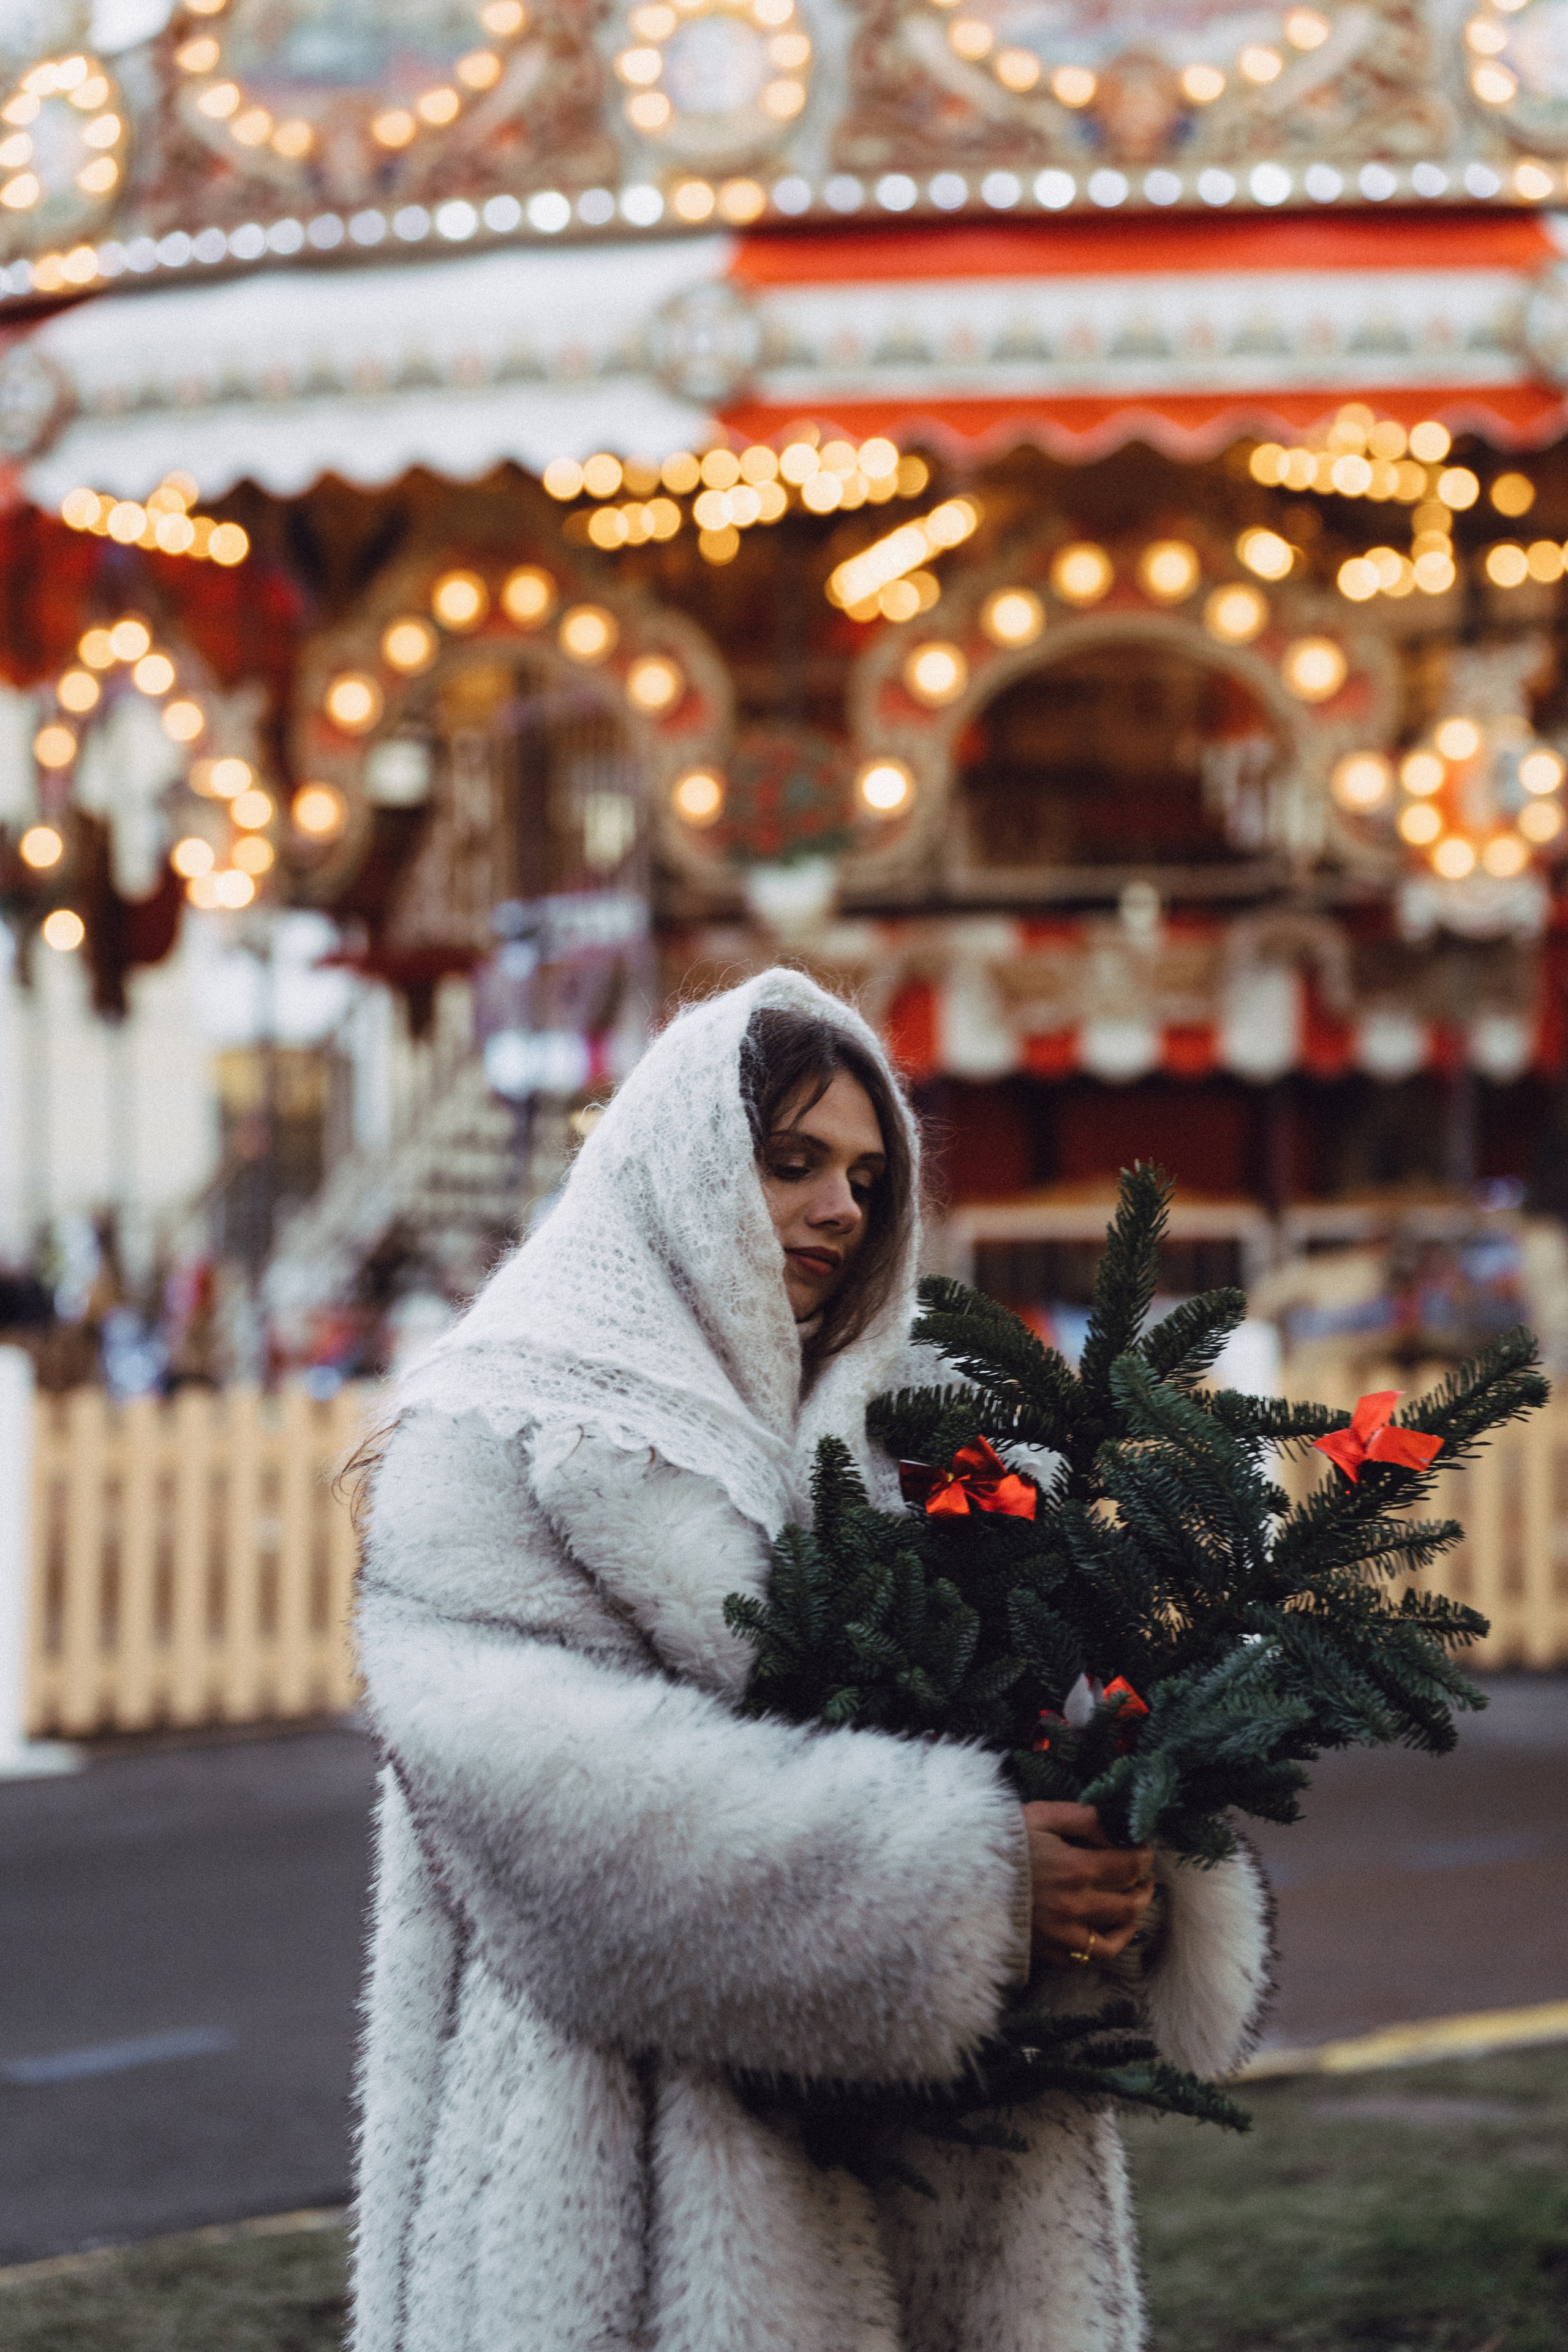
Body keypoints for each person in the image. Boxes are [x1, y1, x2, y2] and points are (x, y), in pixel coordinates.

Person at [351, 967, 1270, 2352]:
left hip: (969, 2170)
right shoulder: (501, 1435)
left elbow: (1059, 1685)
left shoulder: (928, 1438)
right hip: (628, 2181)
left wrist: (1121, 1840)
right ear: (681, 1172)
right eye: (791, 1164)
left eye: (865, 1177)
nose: (841, 1207)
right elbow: (545, 1803)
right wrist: (964, 1874)